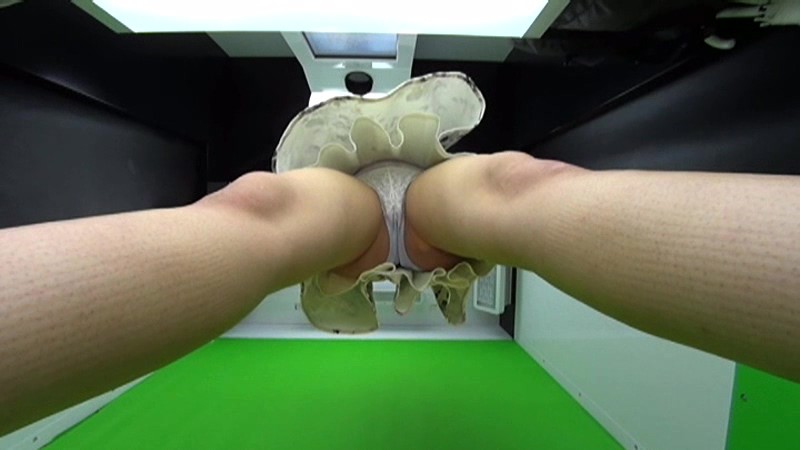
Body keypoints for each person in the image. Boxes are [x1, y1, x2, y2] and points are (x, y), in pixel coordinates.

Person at [1, 151, 799, 435]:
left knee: (526, 186)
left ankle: (414, 227)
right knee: (253, 207)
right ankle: (383, 233)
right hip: (346, 223)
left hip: (431, 214)